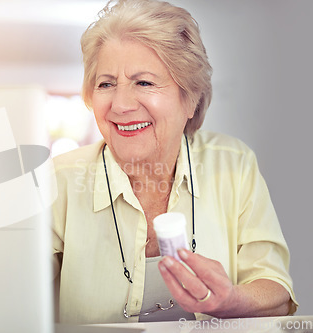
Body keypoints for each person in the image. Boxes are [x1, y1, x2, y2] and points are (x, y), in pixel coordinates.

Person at [51, 0, 298, 324]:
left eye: (144, 82)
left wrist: (230, 300)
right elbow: (10, 291)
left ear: (190, 98)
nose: (121, 105)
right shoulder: (60, 180)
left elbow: (277, 294)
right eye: (106, 84)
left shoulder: (233, 165)